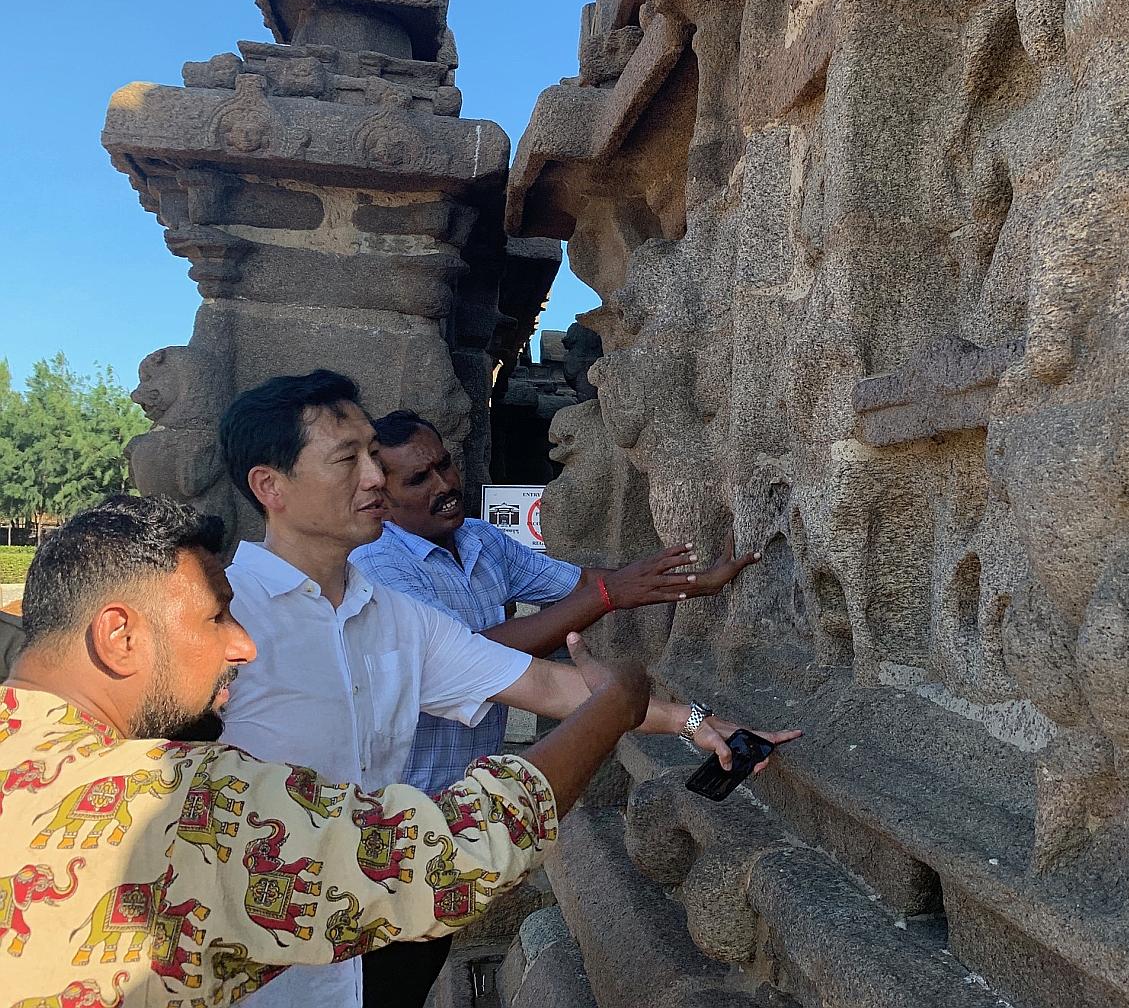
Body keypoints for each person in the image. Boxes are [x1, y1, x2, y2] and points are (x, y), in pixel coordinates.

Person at [213, 371, 799, 1008]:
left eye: (371, 457)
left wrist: (698, 725)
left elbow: (544, 684)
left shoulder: (394, 616)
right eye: (346, 459)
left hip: (393, 918)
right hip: (257, 957)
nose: (374, 478)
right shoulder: (215, 617)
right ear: (270, 487)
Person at [0, 495, 650, 1007]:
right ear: (119, 635)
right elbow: (452, 858)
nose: (244, 647)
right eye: (215, 618)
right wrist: (612, 706)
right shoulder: (182, 808)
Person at [351, 407, 765, 1007]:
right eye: (419, 479)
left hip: (460, 815)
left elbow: (575, 592)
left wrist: (690, 585)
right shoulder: (375, 568)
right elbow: (484, 661)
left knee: (417, 963)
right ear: (379, 497)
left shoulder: (477, 538)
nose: (444, 485)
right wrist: (606, 598)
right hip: (395, 822)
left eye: (444, 465)